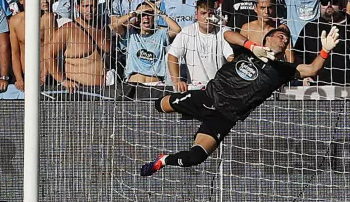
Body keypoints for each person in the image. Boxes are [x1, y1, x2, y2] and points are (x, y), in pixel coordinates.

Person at [140, 25, 339, 175]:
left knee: (196, 157)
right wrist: (251, 45)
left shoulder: (283, 70)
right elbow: (226, 34)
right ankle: (184, 109)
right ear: (267, 38)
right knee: (159, 105)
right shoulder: (246, 51)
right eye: (280, 36)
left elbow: (313, 69)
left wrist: (325, 50)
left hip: (224, 117)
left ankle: (163, 160)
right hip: (206, 97)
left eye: (287, 40)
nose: (284, 41)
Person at [112, 1, 181, 83]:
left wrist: (159, 12)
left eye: (149, 14)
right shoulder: (130, 34)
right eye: (142, 14)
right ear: (137, 18)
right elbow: (114, 25)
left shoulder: (160, 34)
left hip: (155, 84)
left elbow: (177, 29)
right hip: (134, 84)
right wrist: (133, 14)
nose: (146, 17)